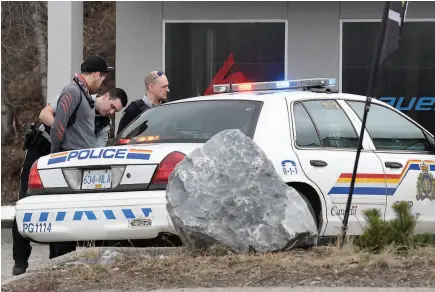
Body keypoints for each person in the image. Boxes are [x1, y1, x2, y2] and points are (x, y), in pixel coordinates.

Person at [11, 56, 126, 276]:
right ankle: (20, 261)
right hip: (45, 149)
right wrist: (61, 137)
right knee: (26, 202)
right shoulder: (76, 94)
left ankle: (59, 260)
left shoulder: (101, 123)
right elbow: (45, 114)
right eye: (111, 107)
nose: (111, 113)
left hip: (68, 156)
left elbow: (95, 149)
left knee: (61, 205)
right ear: (104, 94)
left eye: (115, 112)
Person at [117, 70, 169, 135]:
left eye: (167, 86)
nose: (167, 90)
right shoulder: (132, 111)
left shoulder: (169, 108)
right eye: (164, 86)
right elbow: (121, 140)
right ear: (151, 87)